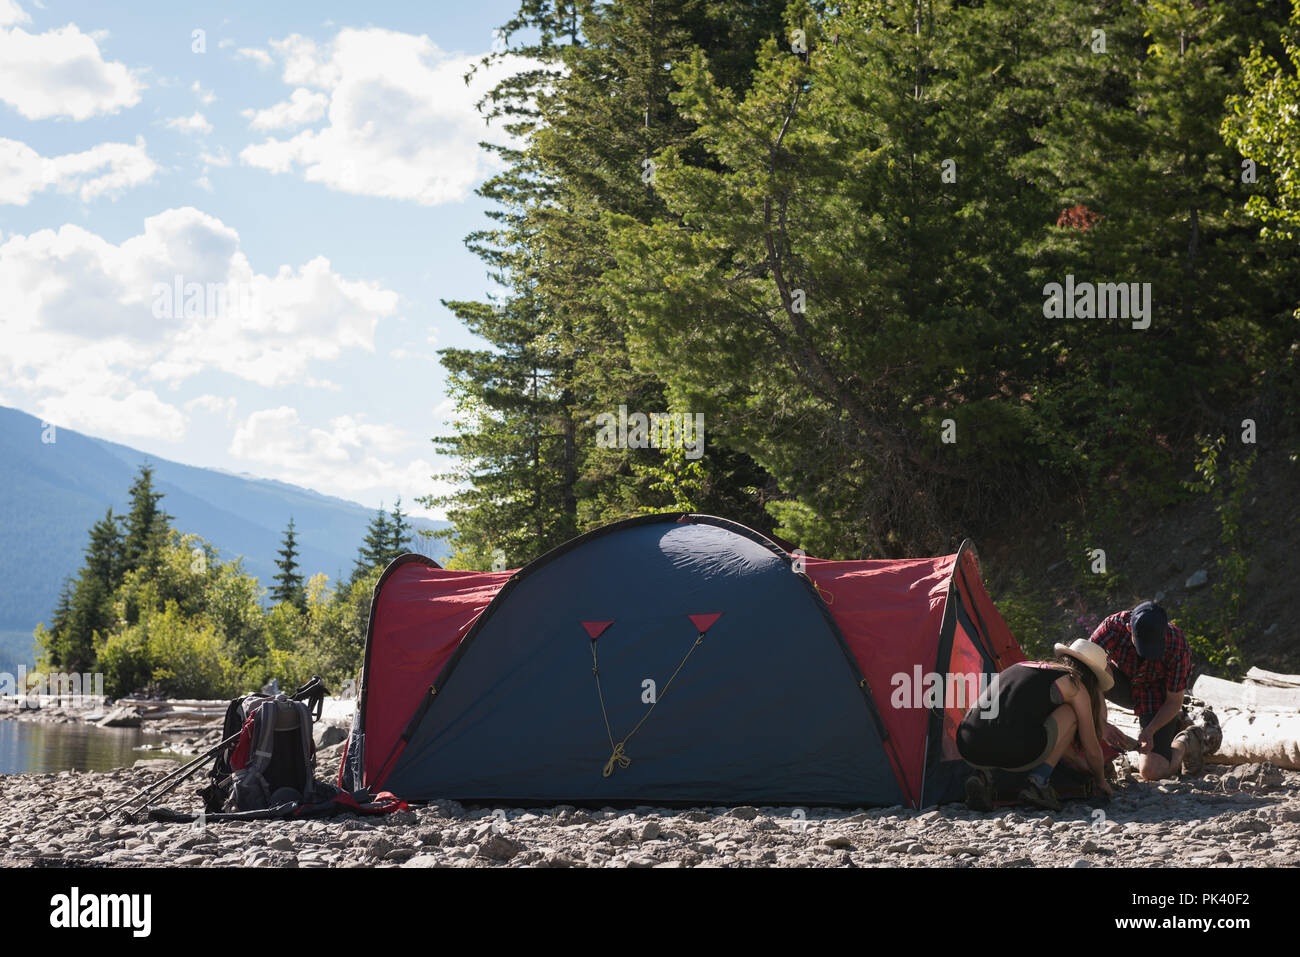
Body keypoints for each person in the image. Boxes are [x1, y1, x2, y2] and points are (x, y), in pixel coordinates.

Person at [958, 639, 1115, 812]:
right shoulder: (1074, 684)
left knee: (1008, 721)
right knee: (1070, 714)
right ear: (1092, 678)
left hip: (968, 743)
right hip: (1014, 749)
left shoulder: (1022, 666)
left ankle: (983, 777)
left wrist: (1076, 761)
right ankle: (1038, 784)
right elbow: (1091, 746)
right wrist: (1100, 780)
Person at [1089, 600, 1218, 779]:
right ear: (1129, 630)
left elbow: (1174, 700)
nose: (1147, 653)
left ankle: (1188, 741)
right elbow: (1082, 670)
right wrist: (1101, 725)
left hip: (1155, 695)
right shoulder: (1112, 627)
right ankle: (1100, 751)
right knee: (1093, 669)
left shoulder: (1177, 645)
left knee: (1152, 771)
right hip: (1120, 682)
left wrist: (1150, 730)